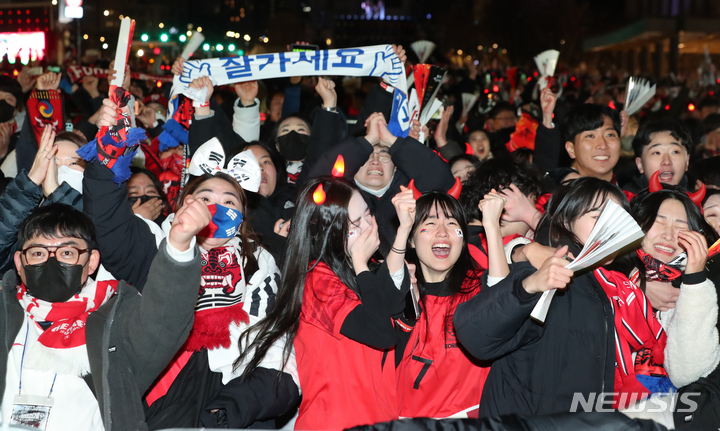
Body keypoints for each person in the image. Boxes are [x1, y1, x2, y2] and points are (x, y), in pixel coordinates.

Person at [83, 100, 299, 429]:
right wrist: (109, 157)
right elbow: (108, 224)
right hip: (160, 402)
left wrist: (234, 407)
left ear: (242, 217)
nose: (217, 208)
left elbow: (279, 352)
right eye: (206, 198)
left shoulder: (264, 265)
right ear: (186, 205)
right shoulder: (156, 244)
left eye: (230, 202)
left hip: (239, 407)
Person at [454, 177, 668, 417]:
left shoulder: (615, 288)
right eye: (597, 217)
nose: (610, 228)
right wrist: (528, 286)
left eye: (618, 219)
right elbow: (475, 336)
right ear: (566, 221)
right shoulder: (541, 271)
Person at [0, 202, 204, 431]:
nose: (52, 261)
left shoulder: (114, 319)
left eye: (67, 252)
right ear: (19, 262)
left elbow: (165, 320)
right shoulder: (5, 312)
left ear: (92, 262)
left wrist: (179, 246)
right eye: (38, 253)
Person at [235, 177, 411, 430]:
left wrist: (403, 231)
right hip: (336, 421)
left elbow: (391, 303)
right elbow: (381, 333)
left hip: (378, 416)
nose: (369, 228)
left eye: (368, 215)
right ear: (327, 232)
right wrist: (361, 263)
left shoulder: (355, 272)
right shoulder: (316, 280)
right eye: (355, 223)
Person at [391, 187, 488, 419]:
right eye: (430, 223)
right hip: (406, 420)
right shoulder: (397, 292)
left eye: (453, 224)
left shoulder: (482, 289)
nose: (443, 232)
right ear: (411, 240)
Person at [629, 185, 720, 429]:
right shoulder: (608, 272)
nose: (669, 235)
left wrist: (693, 281)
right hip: (593, 405)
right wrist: (638, 287)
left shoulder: (700, 283)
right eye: (659, 222)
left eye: (681, 225)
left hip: (670, 414)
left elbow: (687, 371)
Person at [308, 112, 456, 245]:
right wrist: (367, 141)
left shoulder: (410, 193)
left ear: (396, 165)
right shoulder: (339, 195)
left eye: (384, 155)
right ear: (354, 162)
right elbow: (314, 187)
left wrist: (393, 142)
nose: (375, 161)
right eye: (367, 155)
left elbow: (444, 183)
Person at [0, 125, 82, 274]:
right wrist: (29, 183)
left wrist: (57, 193)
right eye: (54, 164)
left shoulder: (107, 214)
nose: (63, 170)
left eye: (73, 163)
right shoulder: (25, 218)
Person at [623, 120, 691, 195]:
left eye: (675, 152)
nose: (667, 161)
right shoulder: (625, 201)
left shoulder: (699, 202)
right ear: (640, 164)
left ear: (687, 160)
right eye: (656, 153)